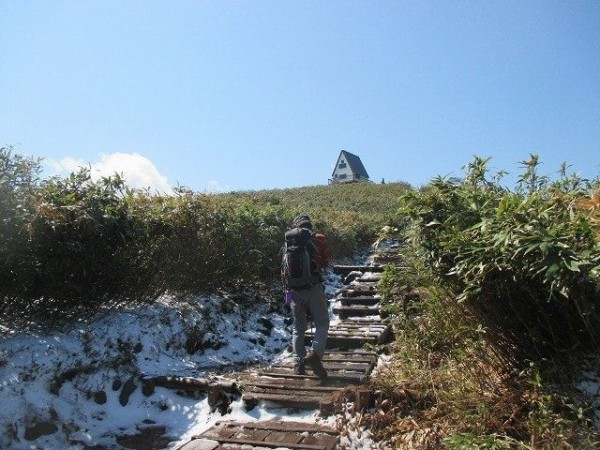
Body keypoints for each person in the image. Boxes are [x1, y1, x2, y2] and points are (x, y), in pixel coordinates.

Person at [282, 214, 330, 379]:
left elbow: (282, 272)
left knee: (298, 328)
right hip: (314, 288)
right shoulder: (319, 239)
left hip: (293, 291)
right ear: (310, 225)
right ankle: (315, 354)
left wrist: (287, 299)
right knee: (322, 322)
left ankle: (298, 363)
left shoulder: (288, 244)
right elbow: (325, 262)